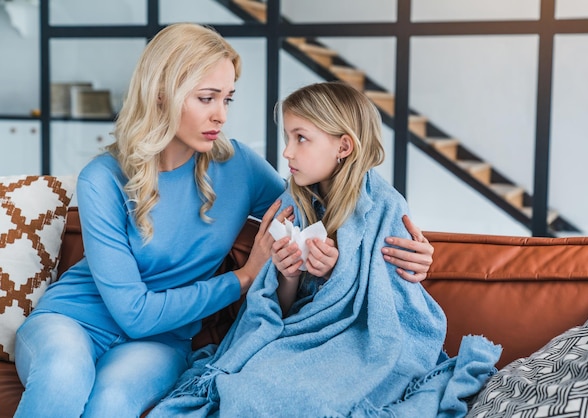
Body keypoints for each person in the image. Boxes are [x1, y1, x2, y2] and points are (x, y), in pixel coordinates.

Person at [13, 24, 436, 418]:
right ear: (161, 94)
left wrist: (401, 247)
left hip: (162, 341)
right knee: (65, 374)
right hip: (74, 319)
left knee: (112, 401)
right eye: (206, 98)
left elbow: (323, 197)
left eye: (227, 99)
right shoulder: (102, 178)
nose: (221, 115)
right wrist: (245, 277)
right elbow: (134, 315)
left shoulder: (239, 167)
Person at [148, 81, 500, 417]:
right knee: (248, 389)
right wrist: (288, 274)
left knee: (308, 399)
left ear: (343, 147)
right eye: (288, 137)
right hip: (302, 335)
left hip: (361, 340)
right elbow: (279, 306)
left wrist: (337, 273)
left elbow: (389, 306)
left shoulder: (384, 207)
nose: (287, 151)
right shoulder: (292, 201)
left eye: (301, 138)